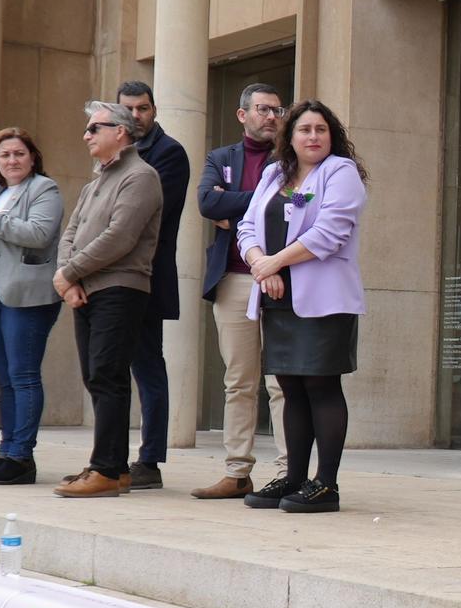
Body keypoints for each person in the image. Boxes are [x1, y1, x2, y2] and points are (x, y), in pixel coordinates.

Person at [235, 100, 368, 513]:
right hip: (278, 296)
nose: (313, 137)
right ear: (289, 137)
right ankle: (293, 478)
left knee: (321, 385)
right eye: (305, 130)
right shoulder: (275, 174)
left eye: (321, 130)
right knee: (290, 388)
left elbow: (330, 232)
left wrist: (274, 262)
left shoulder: (341, 173)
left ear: (333, 136)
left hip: (325, 299)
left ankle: (326, 485)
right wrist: (260, 264)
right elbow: (247, 226)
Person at [55, 101, 164, 497]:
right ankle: (113, 467)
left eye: (93, 128)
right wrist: (68, 277)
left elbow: (120, 237)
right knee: (95, 375)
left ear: (119, 131)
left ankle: (104, 469)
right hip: (87, 288)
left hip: (121, 286)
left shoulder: (141, 176)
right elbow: (71, 233)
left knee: (107, 374)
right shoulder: (93, 183)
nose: (86, 135)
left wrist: (70, 272)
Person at [193, 82, 290, 500]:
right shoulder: (220, 157)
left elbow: (293, 206)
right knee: (239, 382)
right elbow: (207, 205)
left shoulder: (291, 160)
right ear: (242, 114)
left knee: (283, 381)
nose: (271, 117)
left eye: (276, 110)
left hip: (283, 278)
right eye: (263, 109)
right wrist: (261, 201)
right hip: (233, 279)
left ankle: (290, 469)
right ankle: (237, 472)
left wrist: (236, 204)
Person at [0, 127, 64, 486]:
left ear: (32, 157)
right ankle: (6, 451)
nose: (12, 160)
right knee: (4, 379)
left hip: (27, 294)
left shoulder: (44, 189)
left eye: (18, 154)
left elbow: (39, 234)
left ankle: (21, 455)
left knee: (23, 376)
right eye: (5, 155)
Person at [116, 81, 189, 491]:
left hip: (146, 276)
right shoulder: (113, 154)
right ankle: (110, 456)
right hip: (111, 277)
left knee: (147, 368)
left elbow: (145, 217)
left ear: (154, 110)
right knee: (110, 370)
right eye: (128, 109)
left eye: (142, 108)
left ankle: (149, 460)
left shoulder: (170, 154)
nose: (136, 116)